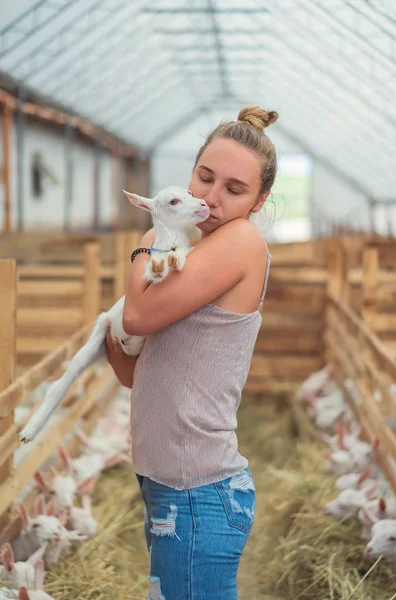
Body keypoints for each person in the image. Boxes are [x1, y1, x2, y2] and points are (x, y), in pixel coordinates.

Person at [106, 105, 278, 600]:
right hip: (169, 481)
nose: (209, 197)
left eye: (234, 189)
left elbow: (136, 316)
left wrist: (147, 243)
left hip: (197, 490)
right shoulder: (197, 254)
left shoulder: (240, 242)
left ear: (259, 201)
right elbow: (140, 373)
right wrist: (115, 344)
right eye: (204, 177)